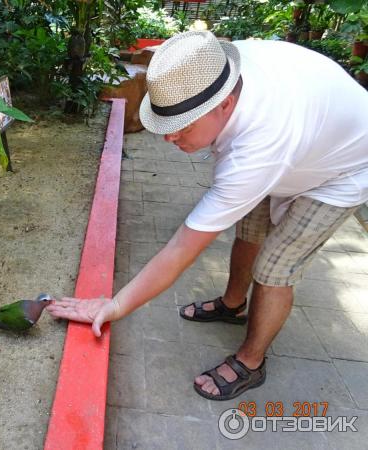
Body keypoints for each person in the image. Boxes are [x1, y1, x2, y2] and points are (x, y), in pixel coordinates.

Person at [47, 31, 368, 401]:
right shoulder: (207, 67)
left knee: (275, 268)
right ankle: (233, 305)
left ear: (226, 104)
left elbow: (182, 249)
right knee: (249, 228)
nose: (170, 138)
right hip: (307, 139)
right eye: (167, 124)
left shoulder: (258, 150)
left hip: (344, 169)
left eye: (183, 126)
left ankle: (251, 361)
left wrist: (115, 304)